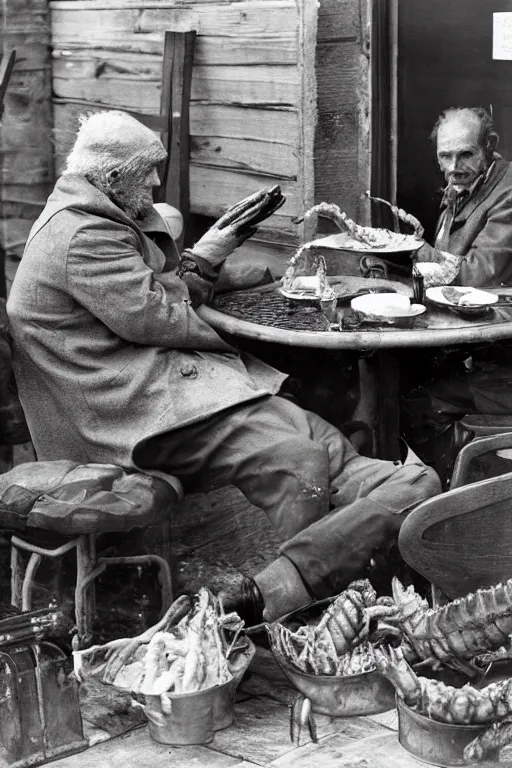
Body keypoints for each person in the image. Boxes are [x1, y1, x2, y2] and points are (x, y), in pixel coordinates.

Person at [7, 110, 440, 625]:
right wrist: (202, 269)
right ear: (114, 176)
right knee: (299, 461)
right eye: (147, 170)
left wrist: (203, 262)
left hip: (166, 393)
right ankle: (292, 616)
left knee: (373, 462)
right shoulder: (84, 235)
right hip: (127, 414)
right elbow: (162, 318)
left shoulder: (95, 213)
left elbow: (157, 296)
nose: (154, 180)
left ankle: (287, 585)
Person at [401, 106, 512, 484]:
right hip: (470, 346)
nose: (453, 166)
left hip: (501, 360)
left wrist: (408, 250)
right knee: (387, 378)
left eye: (465, 153)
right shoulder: (461, 186)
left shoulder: (508, 191)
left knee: (418, 402)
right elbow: (444, 265)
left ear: (490, 146)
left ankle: (455, 508)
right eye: (444, 156)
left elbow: (479, 274)